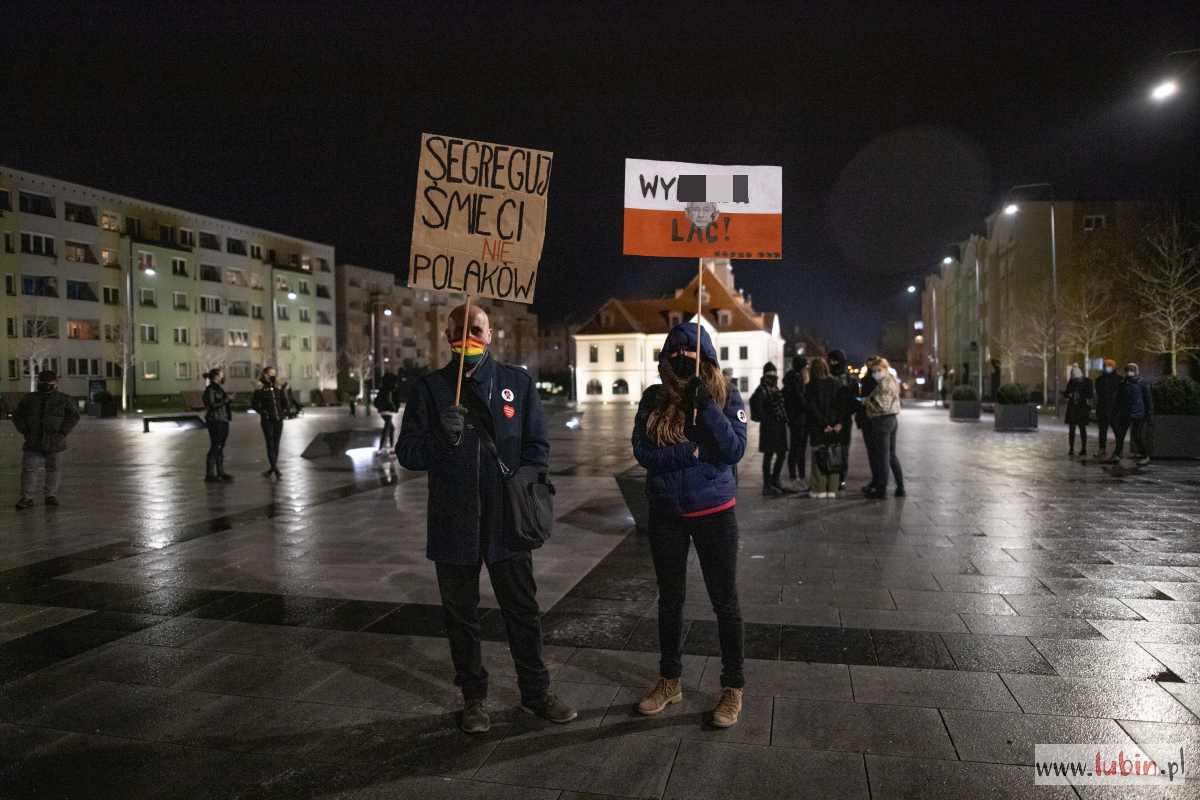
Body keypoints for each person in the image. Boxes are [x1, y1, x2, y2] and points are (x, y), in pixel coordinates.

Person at [397, 303, 576, 734]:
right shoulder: (430, 389)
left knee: (523, 609)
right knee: (461, 614)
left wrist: (522, 485)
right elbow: (408, 454)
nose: (468, 335)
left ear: (490, 334)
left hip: (506, 521)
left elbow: (538, 447)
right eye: (459, 328)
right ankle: (473, 697)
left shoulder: (516, 383)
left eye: (476, 328)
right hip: (453, 520)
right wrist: (442, 435)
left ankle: (536, 692)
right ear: (447, 335)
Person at [631, 322, 748, 728]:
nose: (681, 360)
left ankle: (733, 686)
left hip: (714, 512)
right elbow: (643, 452)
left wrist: (709, 410)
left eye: (690, 354)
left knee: (725, 602)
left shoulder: (724, 395)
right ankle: (670, 680)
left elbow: (733, 450)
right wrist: (692, 453)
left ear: (708, 360)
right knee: (670, 600)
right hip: (667, 513)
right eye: (675, 353)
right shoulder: (652, 398)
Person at [12, 370, 80, 510]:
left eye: (49, 383)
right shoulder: (29, 398)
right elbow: (18, 415)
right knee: (29, 469)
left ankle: (51, 496)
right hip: (33, 441)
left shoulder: (64, 399)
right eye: (43, 383)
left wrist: (62, 432)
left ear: (55, 383)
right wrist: (24, 430)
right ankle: (27, 498)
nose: (45, 386)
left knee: (54, 469)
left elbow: (73, 416)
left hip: (55, 441)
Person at [862, 357, 905, 498]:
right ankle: (900, 487)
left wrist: (867, 401)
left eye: (878, 370)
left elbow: (882, 405)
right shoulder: (891, 379)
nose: (875, 373)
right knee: (891, 455)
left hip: (883, 421)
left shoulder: (885, 384)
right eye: (874, 371)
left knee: (883, 456)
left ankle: (882, 490)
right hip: (891, 420)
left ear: (885, 368)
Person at [749, 362, 792, 496]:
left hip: (779, 427)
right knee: (768, 456)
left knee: (781, 454)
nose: (773, 376)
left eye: (774, 373)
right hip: (769, 428)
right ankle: (767, 485)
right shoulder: (761, 389)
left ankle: (775, 481)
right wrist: (766, 418)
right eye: (770, 373)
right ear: (766, 374)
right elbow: (756, 405)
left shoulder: (774, 388)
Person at [804, 357, 842, 498]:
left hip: (818, 427)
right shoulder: (836, 384)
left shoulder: (810, 386)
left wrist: (824, 424)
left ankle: (819, 489)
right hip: (834, 427)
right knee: (833, 455)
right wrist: (837, 423)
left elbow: (812, 408)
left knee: (818, 457)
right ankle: (832, 489)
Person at [1108, 362, 1153, 467]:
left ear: (1136, 371)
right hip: (1125, 413)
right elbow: (1118, 400)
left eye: (1131, 370)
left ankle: (1145, 456)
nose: (1129, 372)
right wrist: (1114, 413)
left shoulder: (1142, 383)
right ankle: (1117, 454)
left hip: (1138, 414)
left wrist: (1149, 415)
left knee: (1137, 436)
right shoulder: (1123, 383)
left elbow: (1148, 400)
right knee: (1120, 435)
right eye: (1127, 370)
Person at [826, 350, 858, 491]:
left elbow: (854, 403)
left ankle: (841, 479)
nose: (832, 364)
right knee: (828, 450)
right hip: (828, 420)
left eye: (835, 361)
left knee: (843, 451)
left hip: (844, 421)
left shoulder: (850, 380)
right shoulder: (826, 378)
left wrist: (842, 420)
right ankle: (830, 477)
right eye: (830, 361)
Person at [251, 367, 288, 478]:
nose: (272, 376)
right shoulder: (260, 387)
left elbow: (284, 401)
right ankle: (274, 468)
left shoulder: (277, 386)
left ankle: (273, 467)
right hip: (267, 420)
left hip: (278, 419)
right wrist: (263, 412)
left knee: (276, 444)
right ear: (265, 374)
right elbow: (254, 404)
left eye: (274, 374)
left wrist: (284, 412)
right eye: (270, 374)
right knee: (270, 443)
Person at [202, 368, 235, 482]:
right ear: (216, 376)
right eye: (222, 374)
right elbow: (211, 405)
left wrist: (229, 399)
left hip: (223, 419)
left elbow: (220, 403)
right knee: (216, 445)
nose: (223, 376)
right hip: (215, 420)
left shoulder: (218, 388)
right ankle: (210, 474)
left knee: (220, 446)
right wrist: (226, 400)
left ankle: (220, 472)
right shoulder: (210, 389)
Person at [782, 355, 809, 484]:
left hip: (794, 418)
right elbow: (800, 399)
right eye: (805, 367)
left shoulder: (790, 378)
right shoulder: (797, 379)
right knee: (799, 448)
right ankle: (799, 475)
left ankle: (795, 475)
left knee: (795, 447)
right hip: (799, 418)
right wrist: (809, 408)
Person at [1062, 365, 1094, 458]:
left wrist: (1079, 395)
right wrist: (1068, 394)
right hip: (1074, 408)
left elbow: (1090, 394)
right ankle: (1072, 448)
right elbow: (1067, 393)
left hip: (1081, 408)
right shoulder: (1072, 382)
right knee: (1073, 429)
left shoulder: (1087, 382)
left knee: (1081, 429)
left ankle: (1083, 449)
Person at [1094, 358, 1121, 457]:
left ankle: (1118, 450)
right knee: (1102, 431)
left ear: (1114, 367)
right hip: (1103, 409)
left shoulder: (1119, 380)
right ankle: (1102, 449)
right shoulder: (1099, 380)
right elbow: (1098, 394)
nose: (1107, 367)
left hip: (1114, 409)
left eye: (1110, 366)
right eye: (1106, 366)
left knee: (1117, 431)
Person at [374, 372, 399, 453]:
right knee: (387, 429)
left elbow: (376, 401)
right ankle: (382, 448)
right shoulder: (391, 389)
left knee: (391, 428)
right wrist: (394, 408)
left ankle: (389, 448)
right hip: (388, 411)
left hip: (383, 411)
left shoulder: (383, 389)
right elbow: (392, 401)